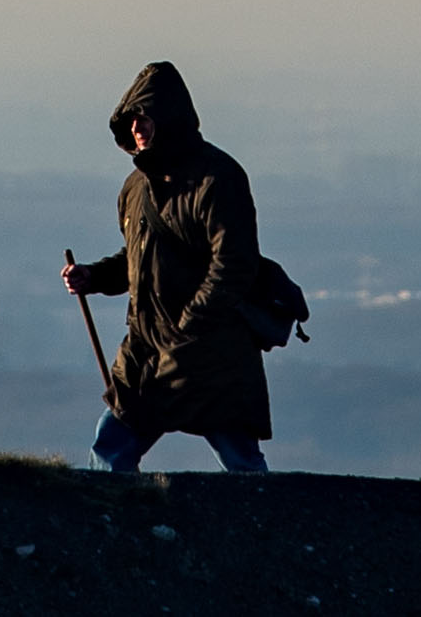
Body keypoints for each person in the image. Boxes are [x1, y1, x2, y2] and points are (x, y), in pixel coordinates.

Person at [59, 60, 273, 474]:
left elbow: (234, 263)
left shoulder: (217, 178)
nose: (138, 128)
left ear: (169, 119)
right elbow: (140, 259)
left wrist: (190, 325)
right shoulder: (135, 188)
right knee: (110, 450)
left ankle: (262, 532)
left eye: (146, 118)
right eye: (132, 119)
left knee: (241, 463)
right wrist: (95, 276)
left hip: (211, 350)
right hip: (147, 348)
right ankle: (116, 528)